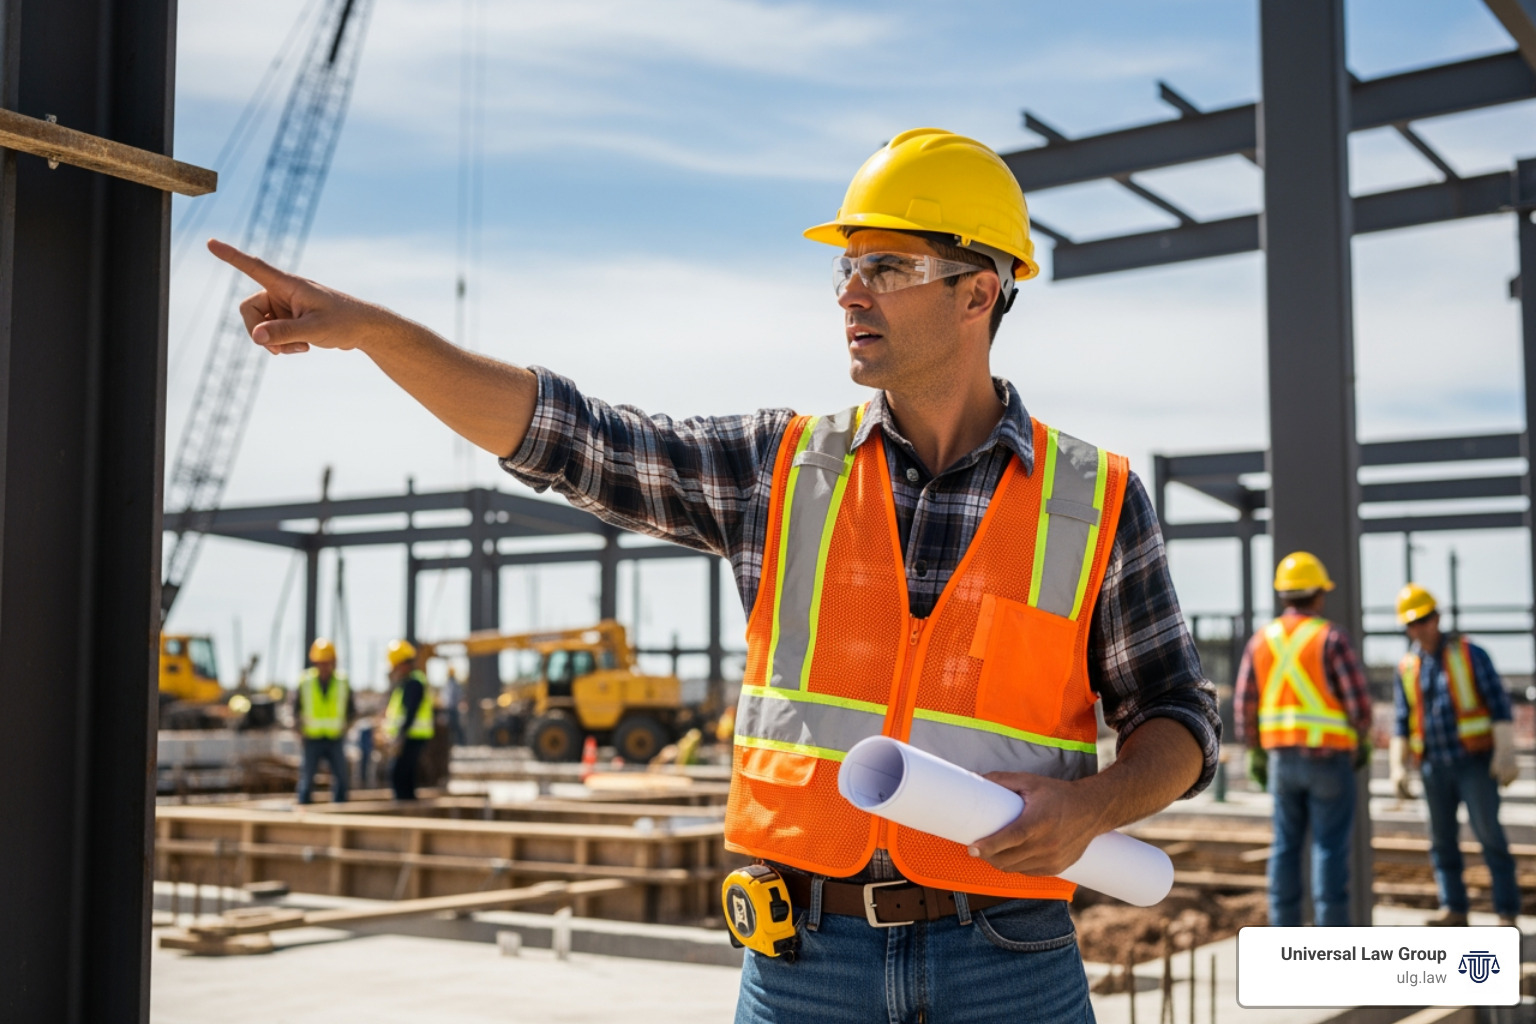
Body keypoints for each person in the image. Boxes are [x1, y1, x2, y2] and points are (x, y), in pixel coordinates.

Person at [209, 127, 1220, 1022]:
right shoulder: (780, 472)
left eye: (887, 265)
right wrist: (380, 333)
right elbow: (566, 433)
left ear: (978, 292)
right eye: (847, 267)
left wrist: (1093, 810)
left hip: (1008, 955)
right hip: (807, 957)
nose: (850, 292)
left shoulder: (1093, 498)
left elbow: (1175, 715)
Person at [1233, 553, 1372, 927]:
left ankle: (1285, 938)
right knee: (1328, 850)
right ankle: (1330, 945)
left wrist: (1255, 752)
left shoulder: (1261, 640)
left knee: (1285, 847)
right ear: (1318, 596)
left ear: (1284, 596)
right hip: (1329, 760)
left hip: (1281, 761)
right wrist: (1363, 737)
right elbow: (1358, 704)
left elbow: (1245, 704)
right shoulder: (1331, 637)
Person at [1390, 583, 1520, 927]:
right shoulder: (1407, 667)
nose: (1419, 628)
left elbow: (1498, 704)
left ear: (1437, 618)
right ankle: (1454, 908)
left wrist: (1505, 750)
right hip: (1433, 766)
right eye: (1412, 623)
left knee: (1490, 837)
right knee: (1441, 841)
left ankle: (1506, 912)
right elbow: (1402, 721)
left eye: (1424, 619)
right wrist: (1398, 767)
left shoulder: (1470, 653)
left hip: (1473, 762)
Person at [293, 637, 355, 805]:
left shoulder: (342, 682)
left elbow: (351, 711)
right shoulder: (305, 681)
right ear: (314, 663)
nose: (324, 667)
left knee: (341, 777)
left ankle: (340, 811)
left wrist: (345, 728)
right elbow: (296, 710)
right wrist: (299, 731)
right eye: (320, 663)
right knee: (307, 776)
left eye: (327, 662)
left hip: (335, 738)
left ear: (333, 662)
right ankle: (304, 808)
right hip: (312, 738)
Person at [381, 640, 434, 800]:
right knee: (405, 774)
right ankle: (406, 802)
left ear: (402, 664)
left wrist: (400, 736)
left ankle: (404, 805)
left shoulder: (413, 683)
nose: (394, 670)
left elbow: (410, 712)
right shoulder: (407, 683)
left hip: (412, 736)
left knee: (399, 773)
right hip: (411, 735)